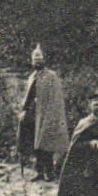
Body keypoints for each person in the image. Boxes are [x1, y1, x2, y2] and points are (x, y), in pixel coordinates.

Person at [17, 44, 68, 181]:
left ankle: (49, 172)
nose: (37, 60)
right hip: (34, 114)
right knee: (36, 144)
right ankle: (39, 171)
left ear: (44, 59)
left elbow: (56, 98)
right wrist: (24, 111)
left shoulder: (51, 76)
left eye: (39, 58)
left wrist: (51, 115)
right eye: (35, 58)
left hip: (47, 114)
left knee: (46, 143)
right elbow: (28, 97)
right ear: (32, 61)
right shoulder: (32, 76)